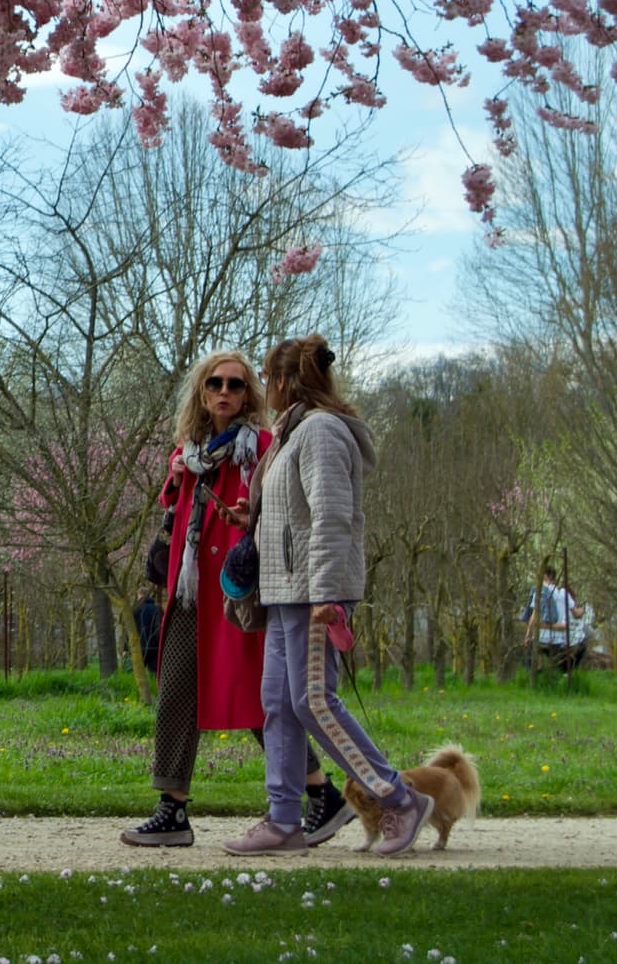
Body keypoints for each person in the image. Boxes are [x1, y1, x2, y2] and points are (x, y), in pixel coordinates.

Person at [221, 334, 434, 857]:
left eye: (269, 377)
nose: (264, 387)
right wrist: (258, 520)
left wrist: (328, 594)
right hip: (281, 592)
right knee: (278, 704)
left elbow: (331, 518)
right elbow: (298, 513)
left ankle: (399, 799)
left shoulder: (319, 432)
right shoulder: (292, 435)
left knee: (313, 700)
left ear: (288, 381)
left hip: (312, 593)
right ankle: (283, 820)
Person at [122, 352, 340, 849]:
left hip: (240, 591)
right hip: (189, 590)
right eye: (215, 384)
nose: (225, 392)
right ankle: (172, 808)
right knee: (176, 690)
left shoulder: (262, 445)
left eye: (236, 385)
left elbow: (284, 509)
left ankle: (320, 789)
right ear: (202, 393)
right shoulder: (189, 454)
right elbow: (176, 517)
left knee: (256, 699)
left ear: (249, 395)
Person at [523, 565, 588, 673]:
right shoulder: (563, 593)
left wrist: (527, 636)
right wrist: (583, 609)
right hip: (558, 640)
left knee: (530, 660)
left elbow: (534, 616)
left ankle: (534, 679)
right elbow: (577, 614)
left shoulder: (540, 592)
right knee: (559, 663)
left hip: (541, 638)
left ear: (545, 576)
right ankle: (560, 676)